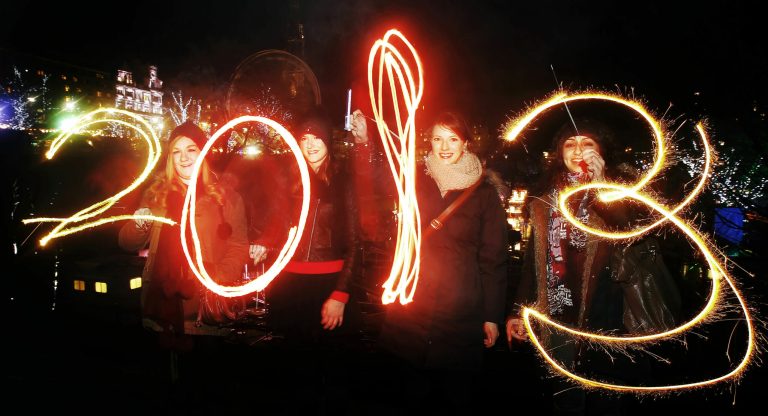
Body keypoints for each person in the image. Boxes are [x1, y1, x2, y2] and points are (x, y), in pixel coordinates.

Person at [351, 110, 508, 411]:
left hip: (460, 313)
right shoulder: (416, 180)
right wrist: (363, 141)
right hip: (413, 307)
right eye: (438, 139)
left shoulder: (484, 194)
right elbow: (380, 176)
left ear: (466, 144)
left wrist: (491, 316)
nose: (445, 146)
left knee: (454, 397)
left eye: (453, 139)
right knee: (409, 394)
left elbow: (493, 258)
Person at [506, 119, 627, 415]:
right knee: (563, 396)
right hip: (557, 312)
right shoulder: (544, 198)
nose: (578, 151)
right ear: (559, 152)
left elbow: (629, 229)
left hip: (605, 314)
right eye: (570, 144)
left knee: (603, 398)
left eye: (587, 144)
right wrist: (518, 310)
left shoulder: (622, 190)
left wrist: (600, 187)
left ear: (601, 152)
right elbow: (533, 264)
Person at [119, 121, 249, 350]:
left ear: (203, 152)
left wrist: (218, 278)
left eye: (191, 149)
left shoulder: (227, 197)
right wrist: (139, 225)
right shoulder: (156, 195)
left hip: (205, 306)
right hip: (161, 303)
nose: (184, 158)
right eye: (176, 152)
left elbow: (238, 246)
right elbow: (127, 243)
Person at [251, 107, 361, 345]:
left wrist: (340, 294)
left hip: (328, 284)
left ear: (328, 140)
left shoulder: (343, 181)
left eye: (316, 137)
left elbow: (355, 243)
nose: (310, 144)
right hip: (290, 285)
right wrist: (264, 242)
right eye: (304, 138)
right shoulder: (289, 180)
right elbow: (276, 223)